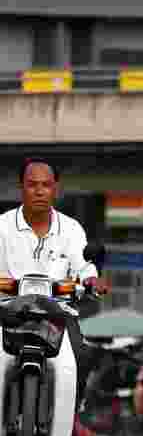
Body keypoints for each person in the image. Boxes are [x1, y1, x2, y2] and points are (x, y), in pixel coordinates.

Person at [0, 159, 110, 387]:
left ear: (55, 188)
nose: (39, 191)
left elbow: (83, 265)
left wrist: (92, 279)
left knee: (80, 358)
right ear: (21, 187)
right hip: (7, 310)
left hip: (57, 313)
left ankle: (71, 418)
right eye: (32, 185)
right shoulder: (3, 226)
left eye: (46, 185)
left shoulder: (71, 229)